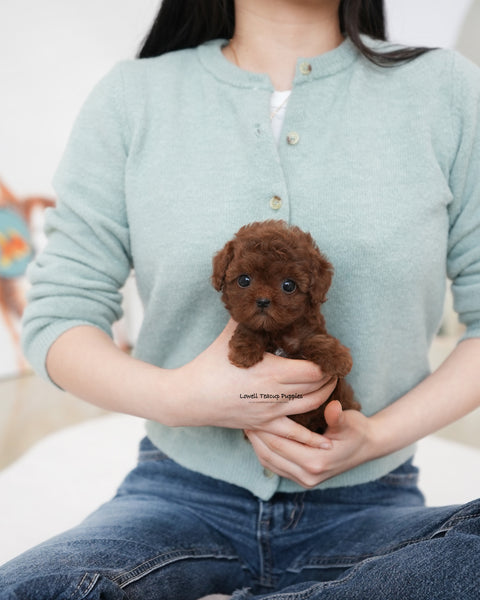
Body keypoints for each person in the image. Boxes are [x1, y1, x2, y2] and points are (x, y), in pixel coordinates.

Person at [1, 0, 479, 597]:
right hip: (177, 493)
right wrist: (180, 397)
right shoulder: (133, 96)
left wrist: (376, 437)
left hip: (373, 499)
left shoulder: (445, 88)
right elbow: (59, 316)